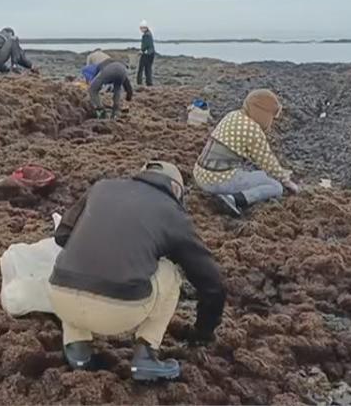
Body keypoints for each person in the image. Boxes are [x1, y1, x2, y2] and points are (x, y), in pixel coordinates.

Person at [49, 161, 226, 381]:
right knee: (170, 272)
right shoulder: (172, 213)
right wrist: (203, 331)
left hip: (60, 299)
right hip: (119, 311)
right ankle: (146, 355)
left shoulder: (103, 187)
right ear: (177, 190)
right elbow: (211, 282)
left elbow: (62, 236)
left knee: (76, 261)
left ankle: (77, 350)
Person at [193, 89, 300, 217]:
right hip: (217, 182)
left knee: (257, 173)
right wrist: (287, 181)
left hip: (200, 174)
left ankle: (231, 194)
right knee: (275, 186)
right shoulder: (252, 129)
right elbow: (267, 161)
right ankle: (234, 199)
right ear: (263, 113)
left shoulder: (232, 115)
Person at [83, 52, 133, 119]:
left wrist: (90, 84)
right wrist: (129, 96)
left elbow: (95, 77)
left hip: (109, 70)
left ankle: (101, 110)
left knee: (92, 90)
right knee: (117, 89)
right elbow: (127, 83)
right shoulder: (115, 62)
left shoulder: (100, 64)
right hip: (122, 70)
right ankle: (115, 112)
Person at [137, 20, 155, 87]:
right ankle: (149, 83)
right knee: (148, 69)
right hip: (151, 53)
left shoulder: (145, 35)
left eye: (141, 28)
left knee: (141, 69)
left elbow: (145, 45)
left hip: (146, 54)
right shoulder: (149, 33)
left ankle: (139, 83)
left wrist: (141, 51)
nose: (141, 30)